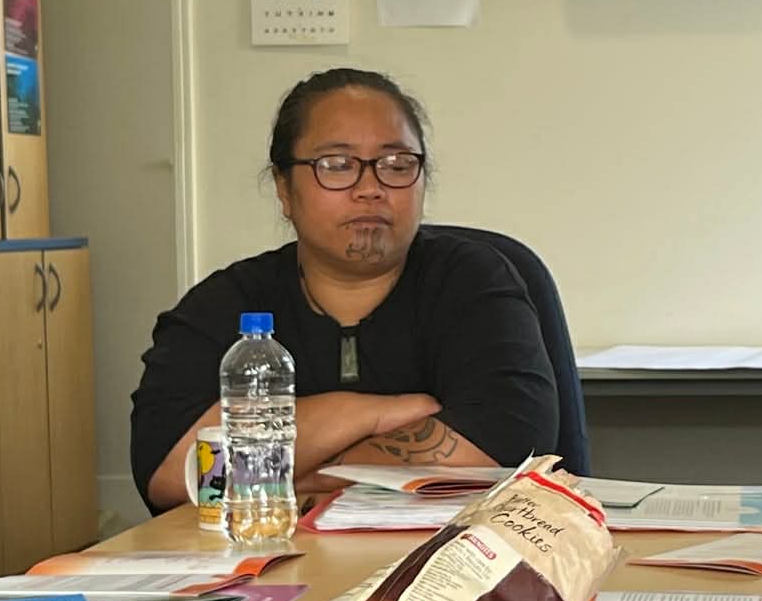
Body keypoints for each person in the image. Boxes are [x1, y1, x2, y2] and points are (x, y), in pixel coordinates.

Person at [130, 68, 557, 511]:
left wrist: (301, 475)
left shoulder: (473, 282)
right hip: (270, 565)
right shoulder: (225, 304)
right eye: (336, 165)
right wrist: (365, 414)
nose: (371, 188)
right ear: (283, 188)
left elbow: (511, 446)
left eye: (397, 165)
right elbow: (167, 474)